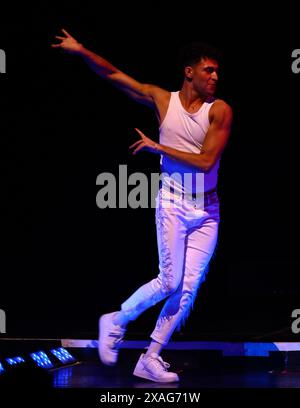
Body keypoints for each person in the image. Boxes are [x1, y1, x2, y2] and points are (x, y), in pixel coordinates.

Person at [52, 30, 233, 383]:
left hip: (208, 210)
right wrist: (81, 50)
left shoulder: (221, 110)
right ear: (189, 72)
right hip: (173, 201)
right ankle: (116, 321)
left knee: (188, 289)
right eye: (208, 70)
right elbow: (114, 75)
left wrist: (159, 148)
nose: (215, 77)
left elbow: (207, 161)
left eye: (217, 71)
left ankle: (150, 358)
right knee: (169, 281)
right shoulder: (163, 100)